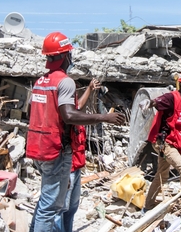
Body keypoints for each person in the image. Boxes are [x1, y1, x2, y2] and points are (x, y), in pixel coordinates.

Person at [27, 32, 125, 232]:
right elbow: (69, 115)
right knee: (51, 207)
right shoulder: (65, 82)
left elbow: (44, 112)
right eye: (69, 54)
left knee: (46, 202)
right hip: (56, 151)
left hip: (39, 148)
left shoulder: (40, 82)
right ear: (65, 56)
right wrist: (104, 117)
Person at [141, 70, 181, 218]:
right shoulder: (171, 98)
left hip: (169, 142)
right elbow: (157, 102)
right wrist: (148, 103)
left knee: (162, 174)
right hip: (164, 144)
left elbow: (180, 125)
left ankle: (148, 206)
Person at [53, 78, 101, 232]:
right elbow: (76, 109)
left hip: (77, 166)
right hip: (67, 167)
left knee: (72, 207)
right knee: (60, 208)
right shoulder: (67, 117)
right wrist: (103, 117)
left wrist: (90, 89)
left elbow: (79, 105)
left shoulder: (75, 113)